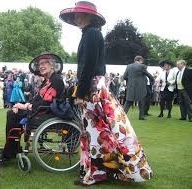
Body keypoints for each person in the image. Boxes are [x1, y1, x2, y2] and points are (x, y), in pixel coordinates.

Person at [60, 1, 152, 186]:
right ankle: (102, 171)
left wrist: (81, 92)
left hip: (92, 88)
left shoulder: (91, 34)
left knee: (94, 131)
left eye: (79, 15)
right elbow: (88, 66)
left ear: (89, 17)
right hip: (94, 86)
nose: (76, 18)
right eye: (76, 15)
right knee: (102, 131)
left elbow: (87, 66)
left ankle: (95, 174)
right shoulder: (92, 34)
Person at [0, 53, 65, 161]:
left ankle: (11, 150)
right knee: (13, 112)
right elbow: (36, 98)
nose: (41, 66)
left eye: (44, 63)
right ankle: (12, 148)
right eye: (40, 64)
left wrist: (26, 107)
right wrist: (22, 105)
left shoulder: (56, 80)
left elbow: (47, 102)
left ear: (52, 65)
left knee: (12, 115)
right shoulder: (47, 80)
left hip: (46, 113)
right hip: (40, 111)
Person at [123, 56, 154, 120]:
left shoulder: (128, 66)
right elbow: (148, 74)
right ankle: (141, 116)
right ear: (140, 60)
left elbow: (124, 77)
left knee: (128, 102)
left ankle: (122, 116)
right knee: (141, 101)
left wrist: (131, 80)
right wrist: (152, 79)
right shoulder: (142, 66)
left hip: (131, 86)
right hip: (140, 87)